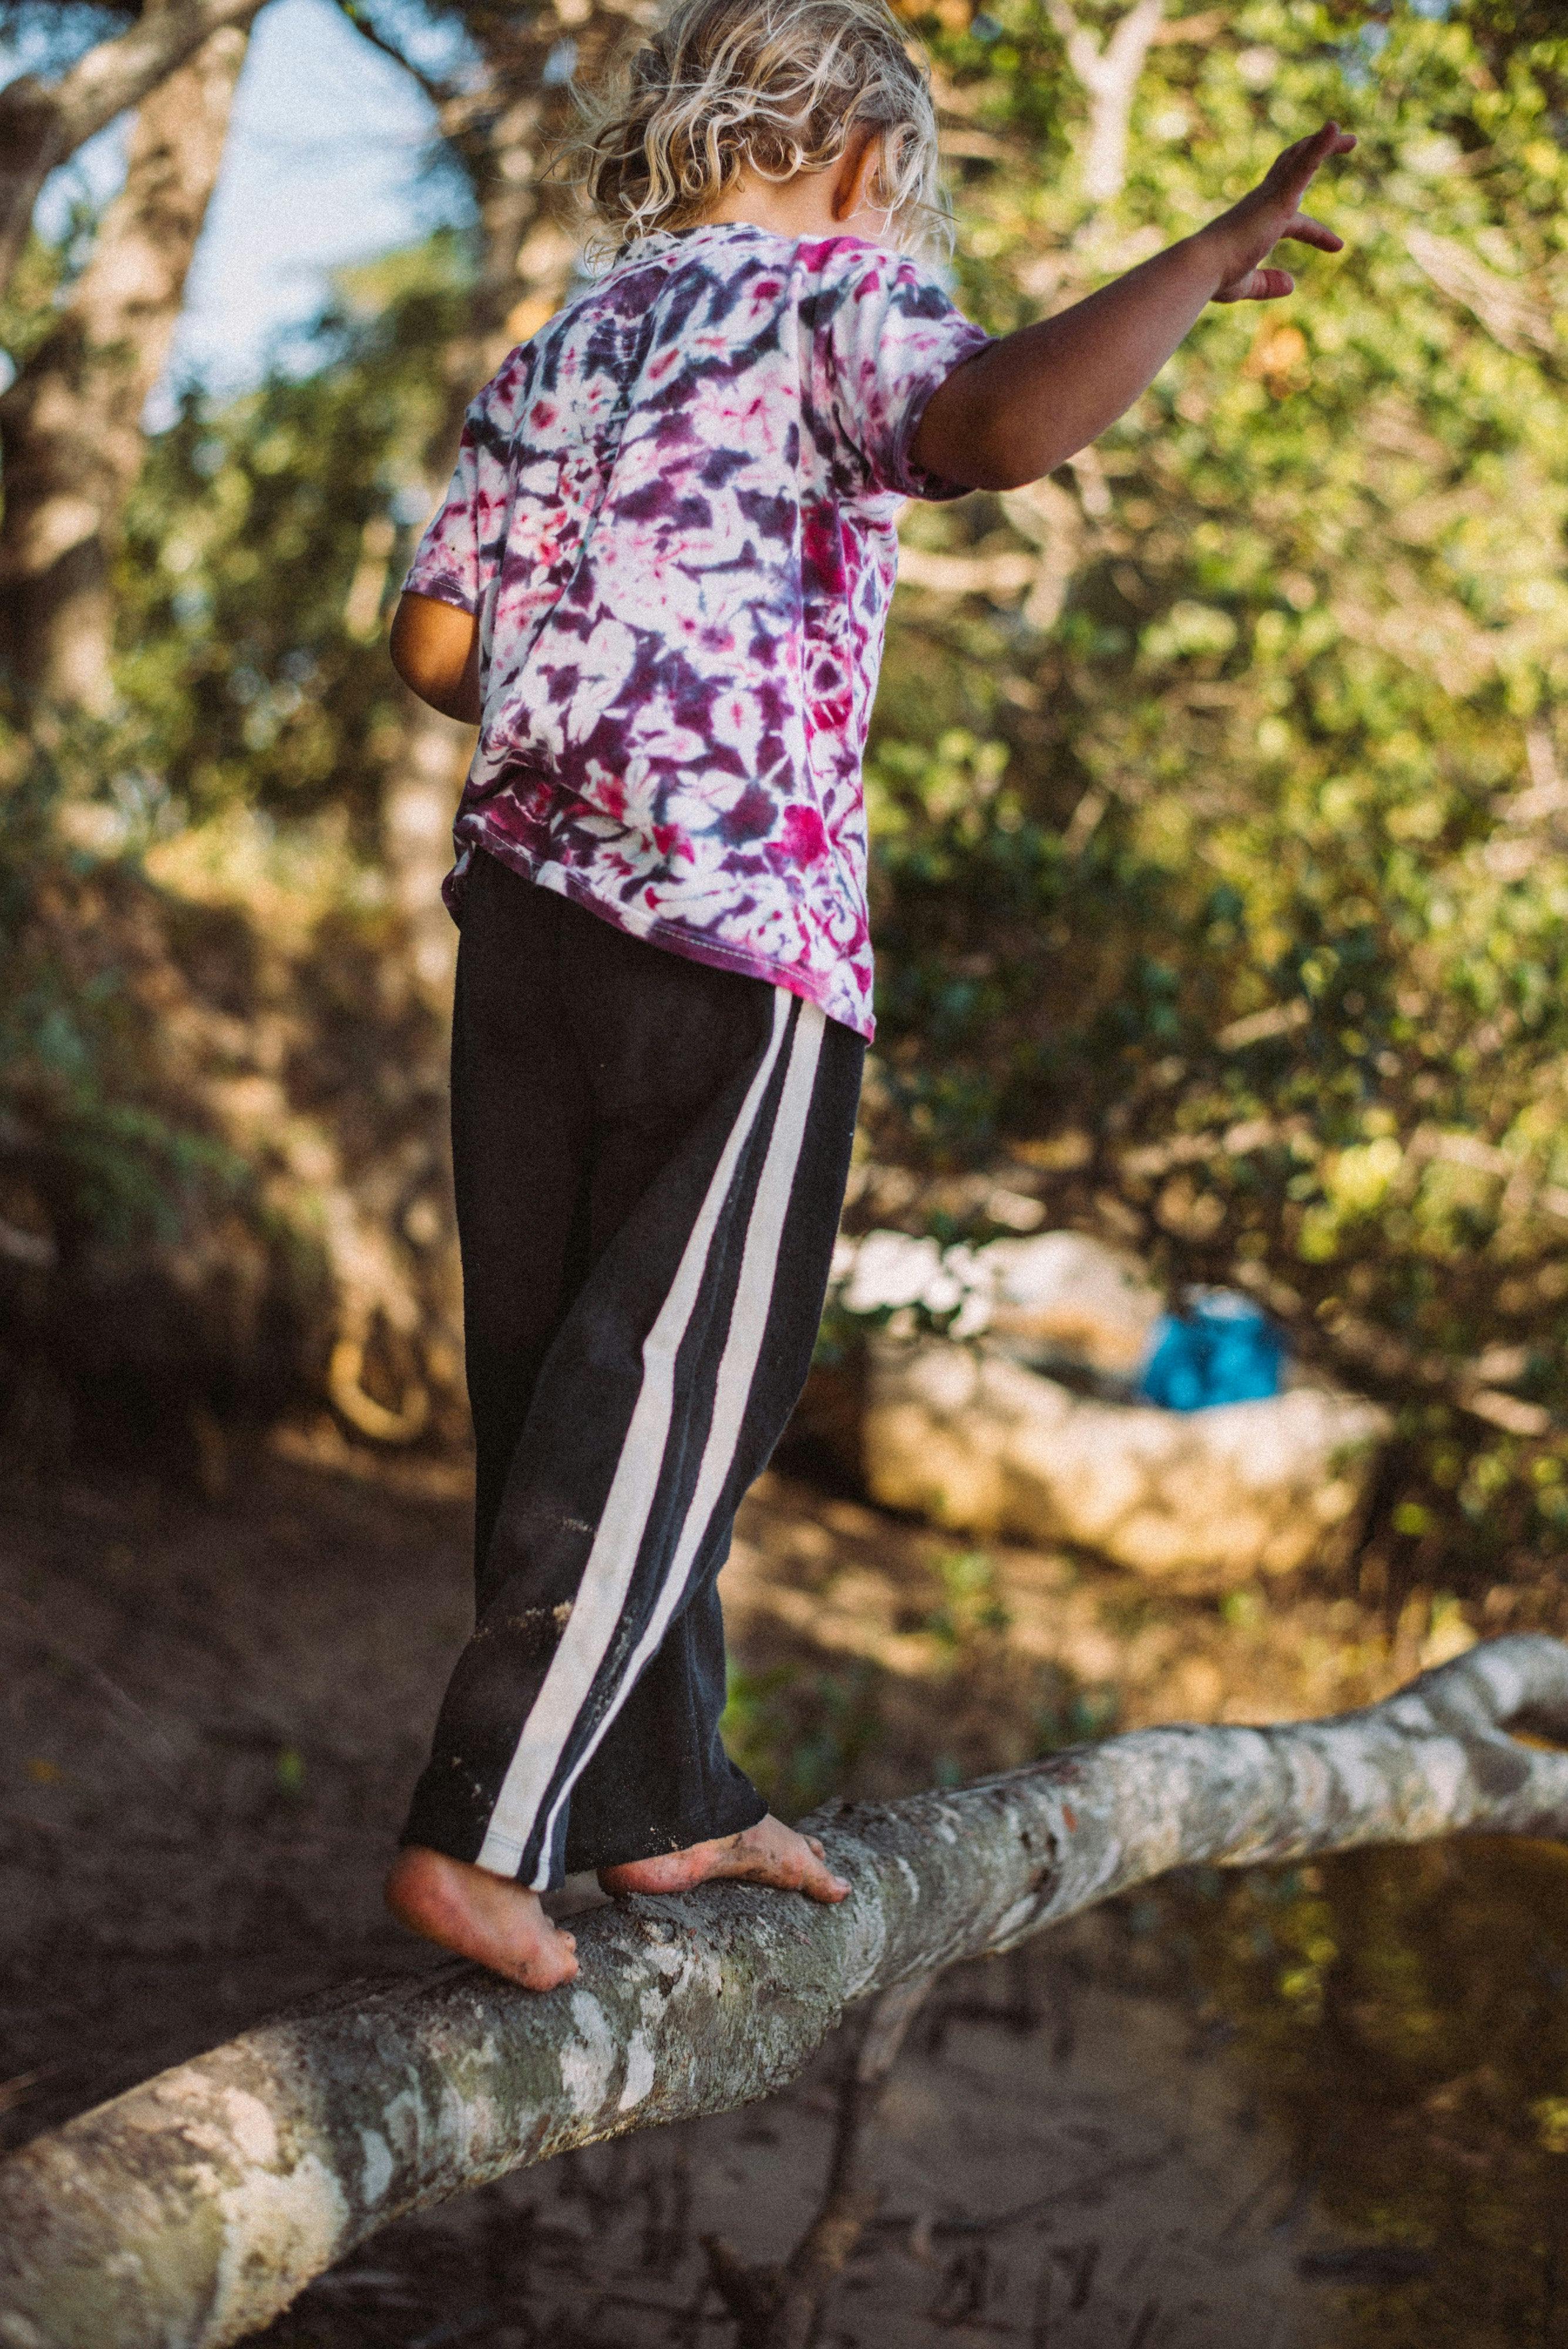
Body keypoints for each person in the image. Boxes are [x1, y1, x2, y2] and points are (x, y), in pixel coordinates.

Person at [384, 0, 1354, 1991]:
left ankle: (655, 1800)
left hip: (531, 921)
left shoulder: (562, 349)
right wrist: (1197, 259)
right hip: (732, 931)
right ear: (862, 159)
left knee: (576, 1379)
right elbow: (996, 431)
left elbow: (433, 648)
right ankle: (484, 1838)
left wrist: (597, 691)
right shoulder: (836, 297)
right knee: (677, 1389)